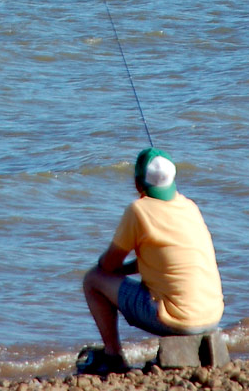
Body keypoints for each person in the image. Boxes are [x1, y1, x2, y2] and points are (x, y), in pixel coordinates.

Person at [78, 148, 224, 375]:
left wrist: (113, 270)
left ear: (138, 184)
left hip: (175, 318)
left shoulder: (138, 210)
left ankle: (113, 355)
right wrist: (127, 269)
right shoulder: (189, 206)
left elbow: (107, 265)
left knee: (92, 280)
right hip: (212, 314)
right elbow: (164, 257)